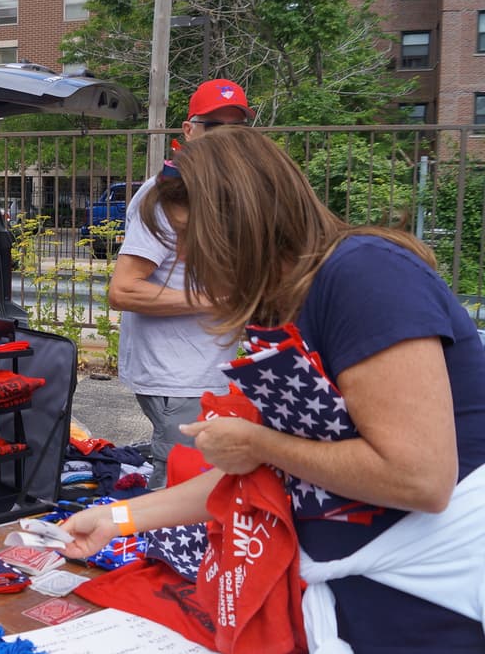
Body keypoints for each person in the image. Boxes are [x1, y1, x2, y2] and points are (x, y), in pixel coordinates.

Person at [61, 127, 485, 652]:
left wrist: (258, 442)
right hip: (357, 589)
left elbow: (419, 477)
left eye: (196, 237)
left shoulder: (366, 277)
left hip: (433, 597)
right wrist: (118, 517)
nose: (190, 257)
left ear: (248, 220)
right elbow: (267, 475)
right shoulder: (284, 304)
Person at [108, 78, 254, 488]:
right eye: (214, 127)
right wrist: (219, 300)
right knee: (179, 494)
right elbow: (123, 290)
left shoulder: (228, 194)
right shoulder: (164, 196)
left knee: (214, 489)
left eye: (236, 129)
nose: (226, 139)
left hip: (213, 370)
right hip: (179, 378)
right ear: (189, 131)